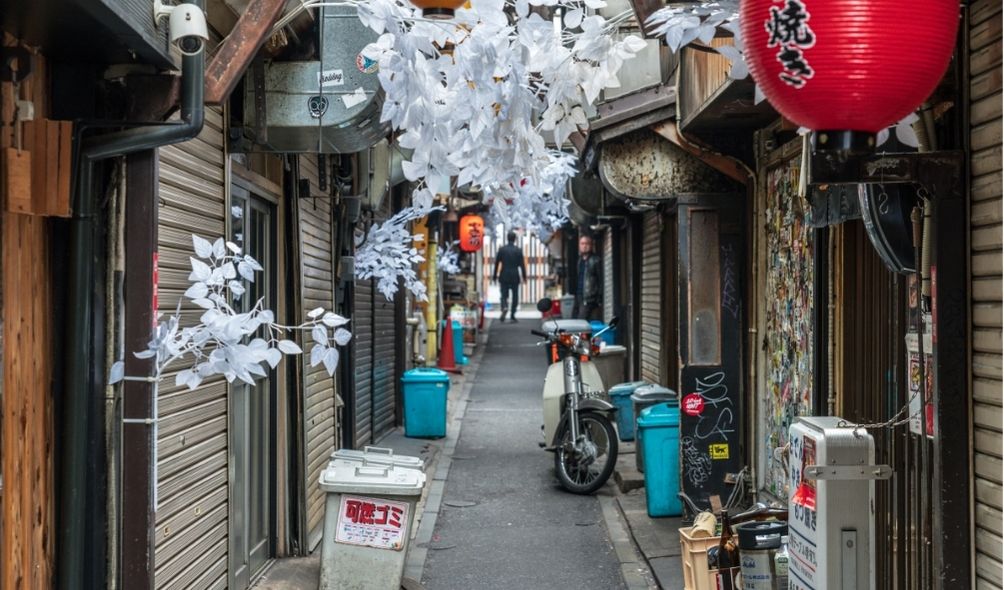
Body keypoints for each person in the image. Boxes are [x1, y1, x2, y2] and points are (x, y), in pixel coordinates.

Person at [492, 231, 526, 323]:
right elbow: (522, 265)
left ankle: (504, 306)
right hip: (515, 274)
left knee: (503, 294)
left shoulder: (502, 250)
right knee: (515, 295)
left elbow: (497, 263)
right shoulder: (518, 250)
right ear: (515, 239)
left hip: (504, 274)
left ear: (507, 238)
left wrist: (494, 276)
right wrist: (524, 277)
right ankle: (512, 315)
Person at [573, 233, 602, 321]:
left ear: (591, 245)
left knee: (581, 323)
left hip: (589, 298)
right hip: (579, 296)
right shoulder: (579, 261)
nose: (584, 246)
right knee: (574, 321)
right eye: (582, 243)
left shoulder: (596, 260)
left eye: (587, 243)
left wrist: (599, 298)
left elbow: (601, 280)